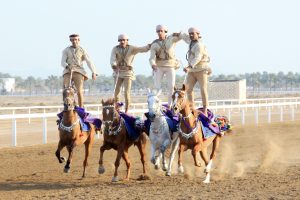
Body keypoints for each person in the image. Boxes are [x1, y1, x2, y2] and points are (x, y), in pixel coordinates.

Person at [110, 34, 150, 113]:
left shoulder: (132, 48)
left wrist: (149, 46)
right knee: (116, 92)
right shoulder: (115, 49)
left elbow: (141, 49)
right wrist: (114, 65)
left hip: (128, 72)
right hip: (118, 72)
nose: (122, 42)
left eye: (124, 40)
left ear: (127, 40)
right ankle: (117, 110)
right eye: (120, 40)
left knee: (126, 92)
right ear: (118, 41)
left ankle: (126, 110)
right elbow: (112, 58)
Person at [149, 25, 183, 106]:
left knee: (171, 87)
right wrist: (153, 64)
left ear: (165, 32)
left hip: (170, 66)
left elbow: (181, 37)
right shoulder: (154, 44)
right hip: (159, 66)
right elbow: (151, 58)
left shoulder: (171, 39)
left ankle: (170, 105)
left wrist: (179, 33)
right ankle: (156, 105)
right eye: (158, 31)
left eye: (161, 31)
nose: (159, 33)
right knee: (157, 87)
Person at [61, 34, 97, 108]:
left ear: (78, 40)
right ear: (70, 40)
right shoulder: (66, 50)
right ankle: (66, 107)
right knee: (66, 90)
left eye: (76, 40)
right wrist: (67, 66)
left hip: (79, 71)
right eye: (72, 40)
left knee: (79, 91)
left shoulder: (82, 50)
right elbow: (62, 62)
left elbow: (88, 61)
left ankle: (81, 108)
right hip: (68, 71)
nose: (74, 41)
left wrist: (94, 72)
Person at [182, 27, 211, 116]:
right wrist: (178, 34)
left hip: (201, 69)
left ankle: (205, 109)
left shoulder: (199, 45)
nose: (190, 35)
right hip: (192, 70)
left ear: (198, 34)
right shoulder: (191, 41)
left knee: (203, 89)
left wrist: (189, 66)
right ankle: (191, 107)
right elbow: (184, 37)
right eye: (189, 33)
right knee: (188, 89)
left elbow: (197, 57)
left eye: (193, 33)